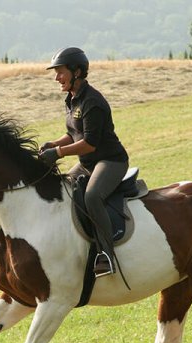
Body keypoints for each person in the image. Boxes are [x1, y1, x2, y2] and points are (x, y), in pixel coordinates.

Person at [39, 47, 129, 278]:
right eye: (56, 72)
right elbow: (73, 134)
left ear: (76, 72)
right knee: (65, 190)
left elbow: (89, 143)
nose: (56, 77)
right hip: (88, 163)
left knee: (92, 196)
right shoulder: (72, 99)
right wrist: (53, 144)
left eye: (60, 72)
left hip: (110, 161)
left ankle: (106, 255)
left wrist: (58, 153)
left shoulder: (93, 102)